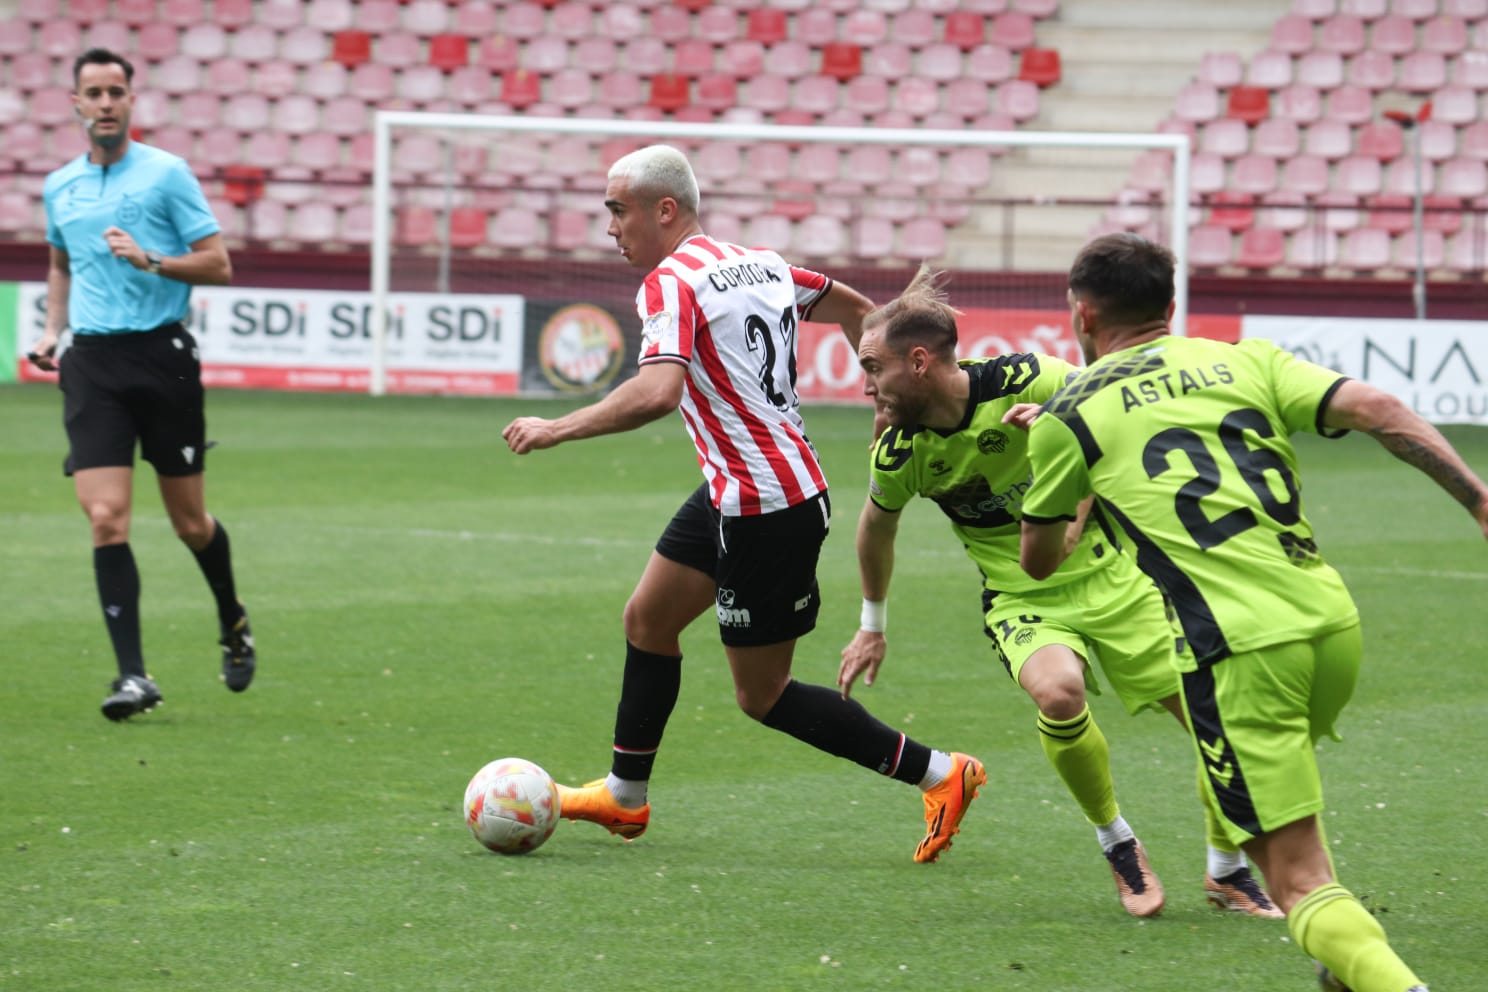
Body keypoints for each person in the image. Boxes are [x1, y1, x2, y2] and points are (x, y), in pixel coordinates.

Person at [1021, 233, 1488, 991]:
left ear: (1081, 313)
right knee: (1293, 832)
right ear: (1170, 307)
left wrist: (1083, 491)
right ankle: (1342, 964)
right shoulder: (1244, 358)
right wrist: (1478, 499)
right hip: (1331, 626)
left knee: (1298, 883)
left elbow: (1041, 562)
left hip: (1237, 650)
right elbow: (1375, 406)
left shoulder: (1067, 413)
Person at [502, 145, 985, 862]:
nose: (610, 227)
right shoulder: (759, 262)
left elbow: (660, 390)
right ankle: (624, 798)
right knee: (648, 619)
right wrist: (879, 388)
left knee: (763, 694)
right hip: (737, 489)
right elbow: (862, 311)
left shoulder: (671, 283)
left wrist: (557, 426)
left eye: (617, 209)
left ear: (665, 209)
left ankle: (943, 774)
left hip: (770, 507)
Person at [841, 266, 1280, 919]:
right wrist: (872, 622)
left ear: (920, 361)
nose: (866, 383)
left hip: (1117, 577)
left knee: (1216, 720)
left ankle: (1227, 868)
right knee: (1058, 691)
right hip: (1024, 599)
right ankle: (1119, 844)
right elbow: (875, 529)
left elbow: (1115, 417)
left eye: (874, 367)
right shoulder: (901, 453)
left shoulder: (1029, 380)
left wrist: (1057, 427)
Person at [27, 49, 254, 722]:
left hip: (163, 358)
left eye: (115, 92)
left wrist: (152, 260)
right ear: (75, 103)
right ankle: (133, 677)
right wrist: (51, 331)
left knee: (189, 523)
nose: (104, 103)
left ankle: (233, 619)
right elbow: (61, 263)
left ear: (131, 101)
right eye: (92, 92)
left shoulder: (166, 174)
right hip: (92, 364)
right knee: (105, 517)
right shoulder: (59, 187)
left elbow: (219, 264)